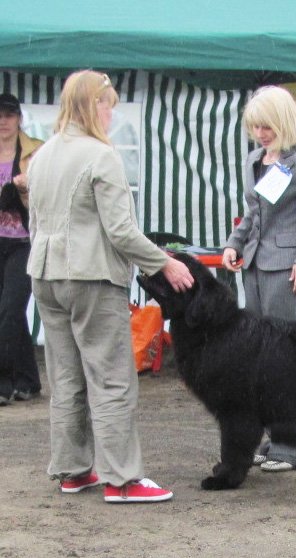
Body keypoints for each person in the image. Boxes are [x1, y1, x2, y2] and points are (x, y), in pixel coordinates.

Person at [27, 70, 194, 503]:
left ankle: (73, 470)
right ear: (91, 105)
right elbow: (121, 231)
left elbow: (34, 224)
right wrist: (165, 263)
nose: (111, 113)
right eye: (107, 105)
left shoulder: (42, 156)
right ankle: (122, 479)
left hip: (45, 275)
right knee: (113, 377)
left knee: (66, 375)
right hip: (91, 277)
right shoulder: (102, 157)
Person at [222, 86, 296, 473]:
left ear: (284, 122)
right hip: (255, 268)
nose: (260, 134)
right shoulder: (254, 160)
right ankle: (267, 439)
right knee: (257, 361)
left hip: (288, 273)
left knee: (286, 362)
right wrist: (233, 243)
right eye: (255, 127)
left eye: (266, 127)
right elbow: (253, 214)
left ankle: (292, 446)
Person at [0, 94, 43, 405]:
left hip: (24, 241)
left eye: (10, 115)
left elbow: (48, 197)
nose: (3, 121)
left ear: (19, 119)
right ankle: (25, 380)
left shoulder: (36, 152)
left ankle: (10, 382)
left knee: (11, 310)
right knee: (8, 315)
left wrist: (26, 189)